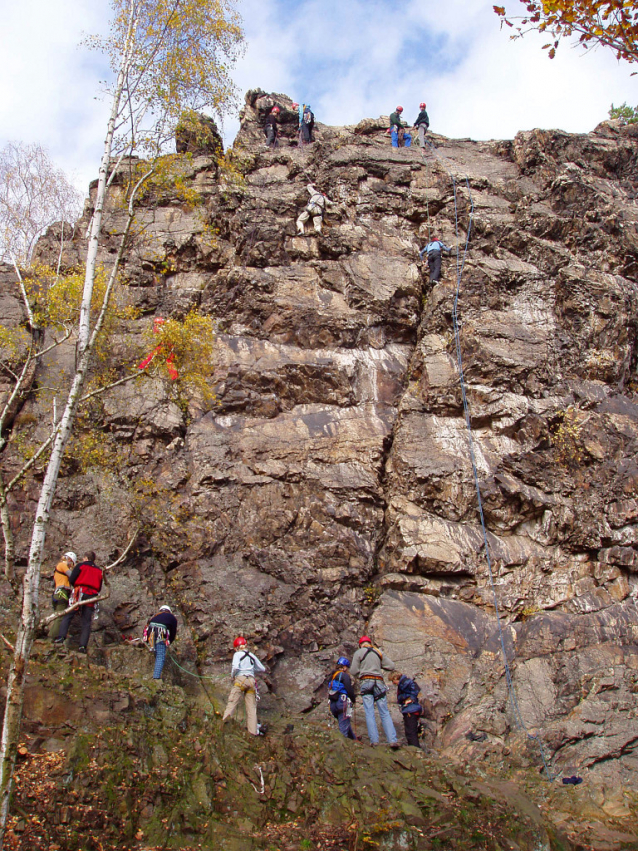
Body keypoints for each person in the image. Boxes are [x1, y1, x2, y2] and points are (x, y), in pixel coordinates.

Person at [350, 636, 399, 748]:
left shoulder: (359, 652)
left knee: (369, 711)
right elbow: (391, 666)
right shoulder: (378, 652)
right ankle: (392, 740)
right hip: (379, 682)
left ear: (360, 644)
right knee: (384, 712)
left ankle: (374, 741)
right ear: (370, 643)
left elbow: (353, 671)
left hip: (366, 681)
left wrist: (362, 669)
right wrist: (379, 665)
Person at [54, 551, 103, 653]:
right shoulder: (99, 570)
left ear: (85, 558)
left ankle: (61, 637)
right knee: (86, 621)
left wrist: (76, 585)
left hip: (80, 592)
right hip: (92, 595)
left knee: (68, 614)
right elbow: (99, 586)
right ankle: (82, 646)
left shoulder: (81, 566)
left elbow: (72, 578)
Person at [222, 636, 266, 736]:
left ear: (236, 647)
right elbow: (262, 669)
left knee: (232, 702)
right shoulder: (251, 655)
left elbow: (235, 667)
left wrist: (233, 676)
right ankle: (253, 732)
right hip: (251, 681)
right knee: (251, 709)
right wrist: (250, 670)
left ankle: (223, 725)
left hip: (240, 680)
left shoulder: (237, 654)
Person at [144, 605, 178, 680]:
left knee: (156, 652)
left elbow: (147, 626)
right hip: (160, 633)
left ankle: (155, 673)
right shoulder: (172, 617)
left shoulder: (155, 616)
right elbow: (173, 632)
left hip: (151, 633)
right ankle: (156, 677)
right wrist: (169, 642)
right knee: (160, 656)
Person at [48, 551, 76, 639]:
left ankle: (54, 634)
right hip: (62, 593)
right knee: (60, 617)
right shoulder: (62, 565)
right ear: (70, 560)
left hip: (58, 593)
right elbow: (72, 576)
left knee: (58, 616)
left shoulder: (58, 569)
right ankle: (52, 637)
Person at [390, 672, 422, 748]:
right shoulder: (404, 683)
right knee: (410, 731)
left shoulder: (405, 683)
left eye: (392, 681)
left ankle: (415, 749)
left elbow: (415, 689)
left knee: (411, 731)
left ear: (395, 678)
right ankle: (414, 748)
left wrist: (409, 699)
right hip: (410, 709)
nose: (393, 683)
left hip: (410, 710)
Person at [328, 657, 357, 740]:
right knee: (343, 726)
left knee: (345, 723)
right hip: (342, 702)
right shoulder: (344, 675)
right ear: (344, 667)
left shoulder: (332, 676)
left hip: (333, 703)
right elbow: (349, 689)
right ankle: (342, 744)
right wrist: (353, 699)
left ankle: (354, 740)